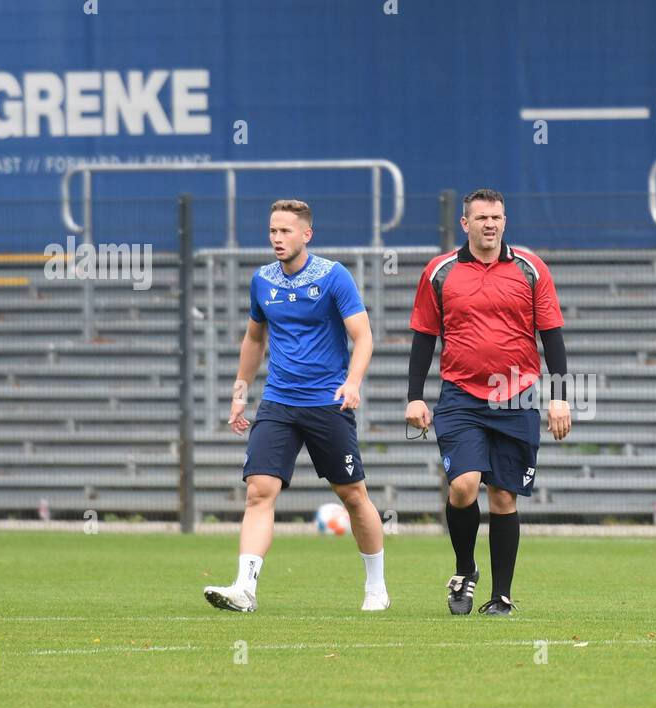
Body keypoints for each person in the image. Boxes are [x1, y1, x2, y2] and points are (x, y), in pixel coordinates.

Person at [204, 199, 388, 612]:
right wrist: (240, 390)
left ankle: (376, 587)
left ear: (307, 234)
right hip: (279, 403)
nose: (276, 238)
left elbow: (363, 337)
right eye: (272, 230)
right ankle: (244, 589)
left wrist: (353, 382)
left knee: (353, 496)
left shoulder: (333, 276)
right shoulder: (262, 281)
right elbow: (255, 338)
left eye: (285, 231)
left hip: (327, 403)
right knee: (258, 491)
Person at [405, 188, 571, 615]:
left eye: (496, 217)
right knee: (463, 486)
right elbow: (424, 337)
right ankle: (464, 569)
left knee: (503, 495)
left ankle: (502, 596)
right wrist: (414, 398)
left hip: (515, 395)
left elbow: (551, 336)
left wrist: (560, 398)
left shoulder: (531, 268)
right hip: (460, 395)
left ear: (504, 220)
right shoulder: (439, 271)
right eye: (481, 218)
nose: (490, 224)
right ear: (465, 223)